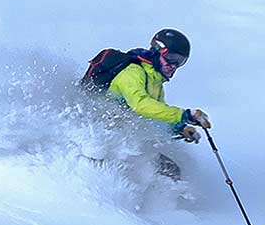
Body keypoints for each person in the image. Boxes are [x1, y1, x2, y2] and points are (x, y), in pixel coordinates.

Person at [81, 28, 211, 178]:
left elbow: (156, 115)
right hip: (99, 139)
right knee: (119, 172)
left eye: (180, 62)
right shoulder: (132, 73)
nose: (174, 65)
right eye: (171, 58)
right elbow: (140, 105)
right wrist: (184, 115)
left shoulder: (155, 84)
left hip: (122, 139)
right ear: (157, 51)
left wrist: (179, 128)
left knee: (171, 171)